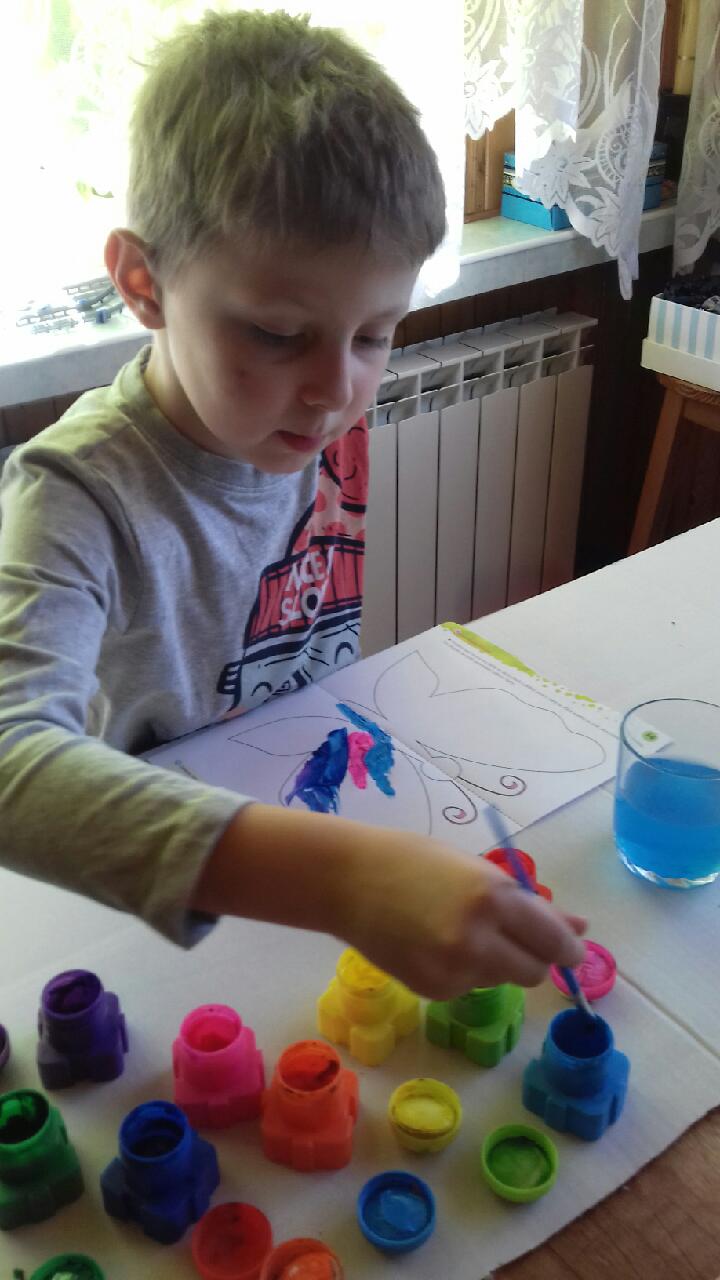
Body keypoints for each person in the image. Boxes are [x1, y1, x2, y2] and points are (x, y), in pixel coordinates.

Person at [0, 9, 585, 999]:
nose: (336, 390)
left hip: (312, 841)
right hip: (147, 933)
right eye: (278, 333)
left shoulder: (313, 421)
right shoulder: (75, 496)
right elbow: (11, 763)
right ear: (144, 284)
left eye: (376, 335)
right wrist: (347, 879)